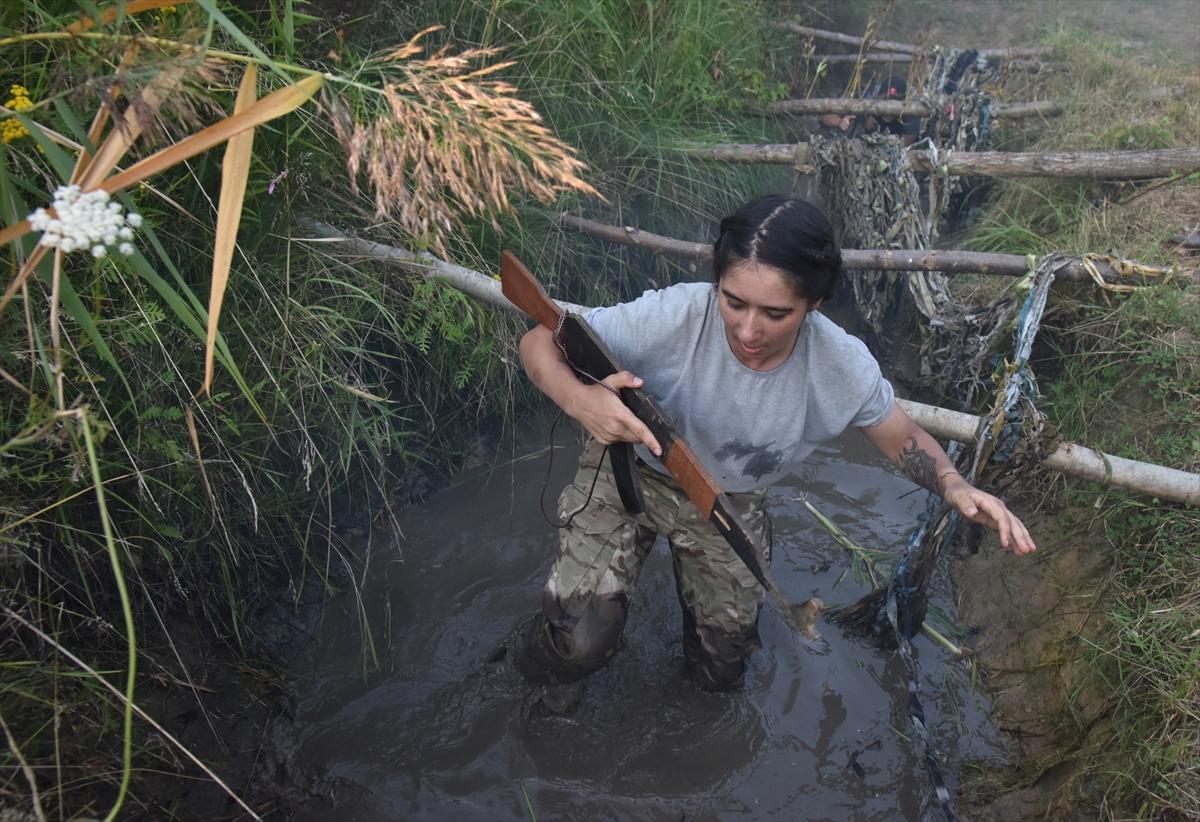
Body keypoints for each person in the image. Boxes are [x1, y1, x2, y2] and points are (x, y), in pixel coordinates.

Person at [514, 195, 1035, 697]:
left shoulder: (840, 365)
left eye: (775, 313)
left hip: (726, 500)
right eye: (733, 301)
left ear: (815, 303)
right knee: (578, 644)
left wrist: (954, 485)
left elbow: (905, 438)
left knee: (722, 667)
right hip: (626, 472)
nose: (747, 330)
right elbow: (540, 339)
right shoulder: (674, 317)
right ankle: (530, 679)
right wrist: (583, 402)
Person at [817, 77, 921, 146]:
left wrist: (886, 139)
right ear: (880, 96)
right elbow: (823, 118)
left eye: (896, 99)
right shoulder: (865, 104)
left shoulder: (908, 116)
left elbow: (906, 145)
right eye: (887, 98)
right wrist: (839, 122)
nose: (891, 103)